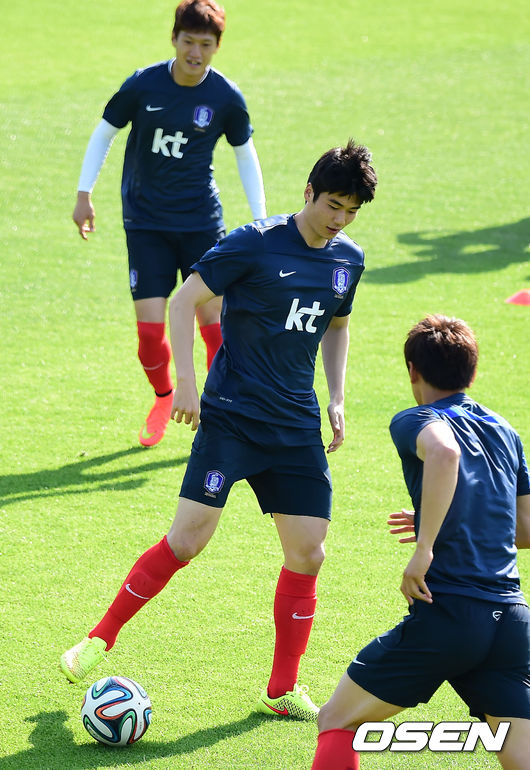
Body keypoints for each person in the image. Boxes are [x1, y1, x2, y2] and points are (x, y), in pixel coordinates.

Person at [60, 139, 378, 721]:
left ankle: (282, 690)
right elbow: (184, 301)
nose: (340, 219)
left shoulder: (348, 260)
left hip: (295, 427)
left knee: (309, 553)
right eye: (333, 205)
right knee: (187, 541)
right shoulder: (254, 243)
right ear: (308, 193)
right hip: (232, 419)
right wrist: (186, 382)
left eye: (351, 211)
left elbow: (337, 325)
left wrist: (336, 397)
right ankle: (99, 638)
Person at [311, 314, 530, 768]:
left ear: (412, 370)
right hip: (511, 622)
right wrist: (448, 517)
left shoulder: (416, 418)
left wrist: (425, 545)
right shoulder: (507, 432)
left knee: (337, 719)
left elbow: (445, 452)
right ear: (472, 372)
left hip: (450, 614)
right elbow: (526, 528)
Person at [73, 0, 266, 447]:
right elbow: (104, 132)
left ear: (217, 46)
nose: (195, 52)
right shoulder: (143, 85)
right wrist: (84, 194)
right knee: (147, 334)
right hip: (146, 224)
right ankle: (163, 397)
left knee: (213, 320)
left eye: (205, 44)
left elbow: (245, 155)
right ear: (174, 39)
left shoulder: (225, 97)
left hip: (201, 223)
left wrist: (260, 220)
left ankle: (219, 413)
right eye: (188, 41)